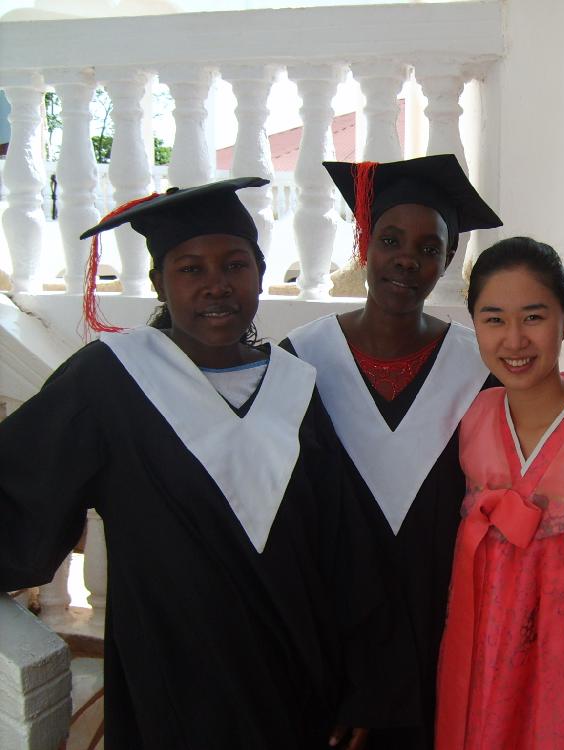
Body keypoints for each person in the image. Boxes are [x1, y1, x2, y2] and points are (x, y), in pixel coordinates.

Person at [0, 178, 384, 750]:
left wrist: (360, 682)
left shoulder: (295, 387)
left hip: (295, 678)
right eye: (190, 269)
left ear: (259, 272)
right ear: (159, 281)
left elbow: (341, 547)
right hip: (171, 680)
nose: (216, 285)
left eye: (235, 264)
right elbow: (21, 487)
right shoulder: (111, 379)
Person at [282, 154, 504, 749]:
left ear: (447, 260)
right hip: (332, 651)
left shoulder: (479, 370)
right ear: (366, 245)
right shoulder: (300, 362)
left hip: (443, 644)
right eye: (390, 240)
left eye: (429, 248)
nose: (407, 259)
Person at [435, 237, 564, 750]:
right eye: (493, 319)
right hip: (487, 666)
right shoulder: (474, 420)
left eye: (533, 317)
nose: (514, 340)